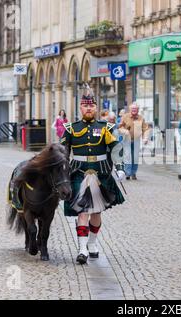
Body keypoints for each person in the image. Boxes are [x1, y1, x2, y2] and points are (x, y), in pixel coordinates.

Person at [60, 87, 126, 265]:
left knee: (96, 212)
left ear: (96, 108)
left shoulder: (107, 127)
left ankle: (92, 243)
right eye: (84, 106)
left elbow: (116, 148)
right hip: (78, 172)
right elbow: (63, 152)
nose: (88, 109)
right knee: (82, 211)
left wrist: (120, 167)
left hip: (100, 173)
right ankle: (82, 250)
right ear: (80, 108)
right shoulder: (71, 128)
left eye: (91, 106)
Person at [118, 103, 149, 180]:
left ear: (138, 110)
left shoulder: (141, 118)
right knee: (127, 156)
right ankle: (128, 173)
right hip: (127, 139)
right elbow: (120, 127)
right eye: (132, 109)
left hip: (136, 140)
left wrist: (145, 138)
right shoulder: (125, 117)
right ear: (130, 109)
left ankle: (133, 173)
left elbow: (145, 129)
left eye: (135, 109)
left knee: (135, 157)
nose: (134, 110)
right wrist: (124, 131)